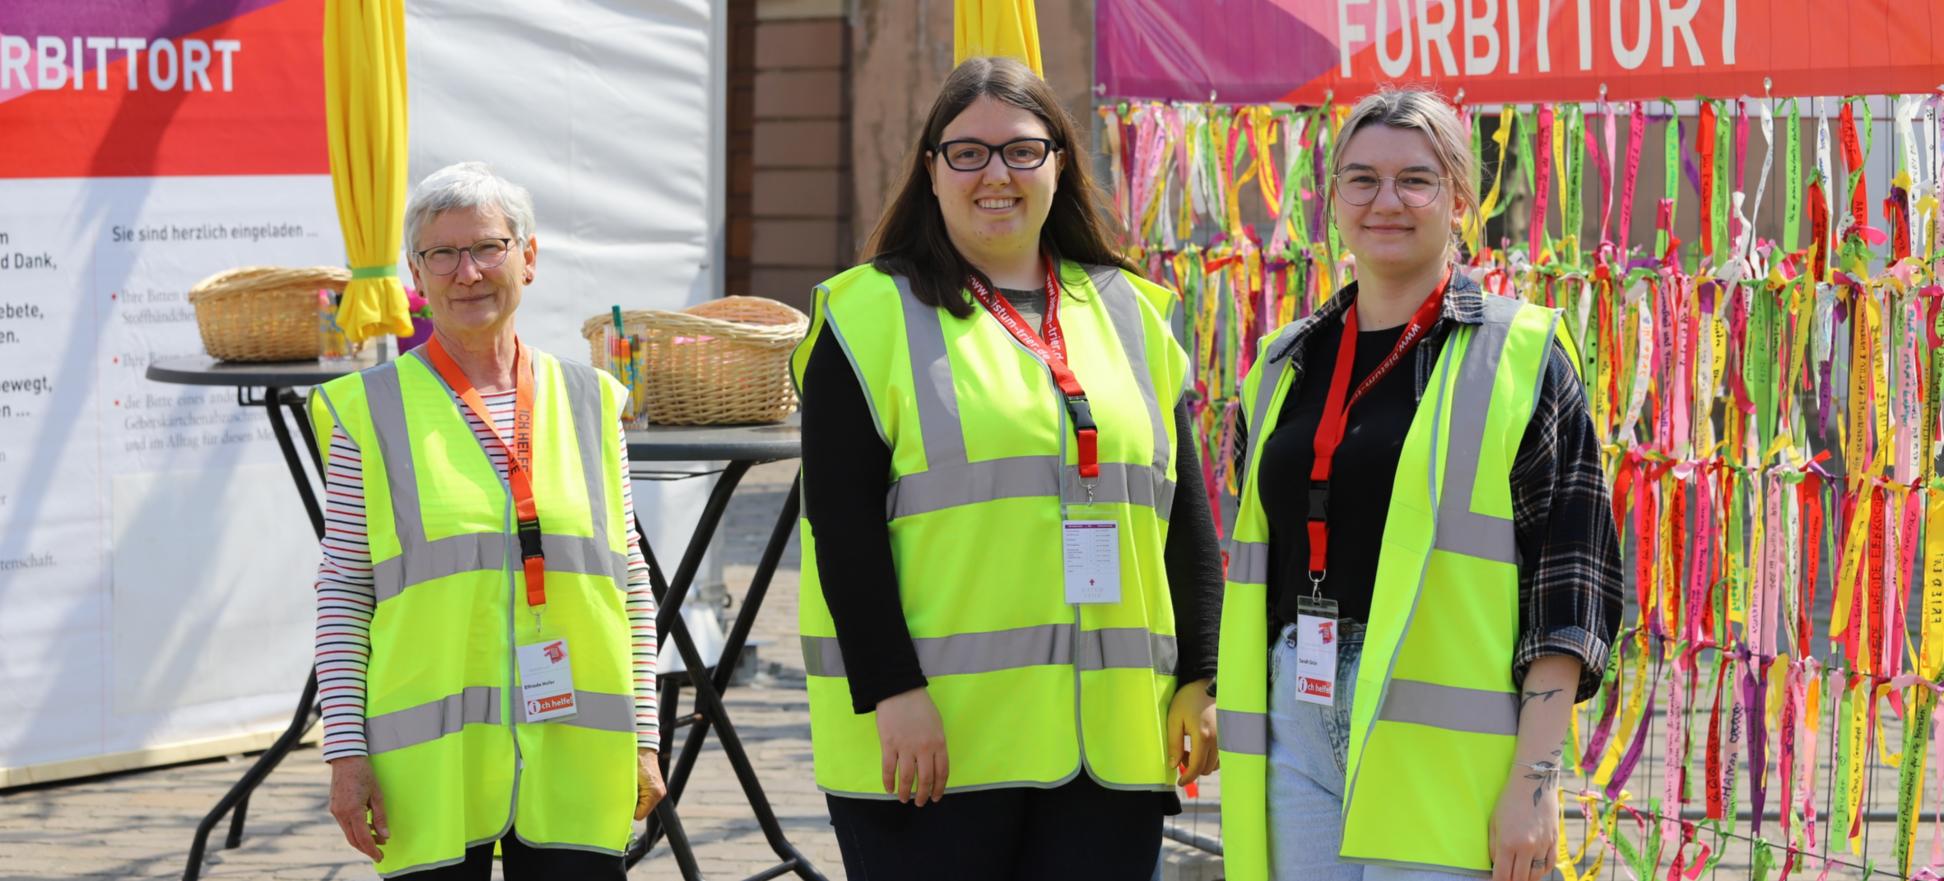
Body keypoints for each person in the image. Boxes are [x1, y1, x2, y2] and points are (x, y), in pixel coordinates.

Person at [792, 56, 1224, 880]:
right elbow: (841, 529)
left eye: (1023, 150)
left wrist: (1201, 677)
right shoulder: (864, 314)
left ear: (1060, 162)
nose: (997, 174)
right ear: (931, 169)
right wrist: (893, 691)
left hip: (1111, 748)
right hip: (931, 745)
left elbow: (1186, 519)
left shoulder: (1134, 312)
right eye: (969, 153)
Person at [1214, 89, 1623, 881]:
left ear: (1461, 199)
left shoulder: (1520, 354)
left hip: (1443, 751)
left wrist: (1535, 783)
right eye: (1361, 179)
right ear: (1332, 199)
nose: (1386, 201)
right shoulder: (1282, 364)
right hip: (1295, 721)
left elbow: (1570, 590)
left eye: (1416, 179)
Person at [308, 161, 667, 879]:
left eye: (487, 247)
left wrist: (646, 737)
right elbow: (345, 591)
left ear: (527, 258)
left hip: (575, 746)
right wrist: (346, 754)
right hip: (431, 763)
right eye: (442, 254)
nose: (466, 272)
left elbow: (628, 574)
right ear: (416, 272)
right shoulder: (368, 410)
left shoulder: (593, 400)